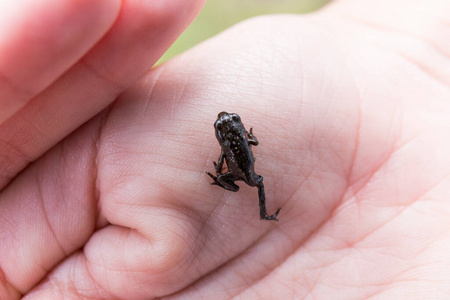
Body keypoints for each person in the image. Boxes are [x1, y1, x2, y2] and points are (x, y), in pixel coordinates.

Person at [1, 0, 449, 298]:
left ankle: (260, 209)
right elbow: (234, 148)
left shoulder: (230, 144)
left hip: (243, 169)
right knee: (248, 178)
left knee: (249, 179)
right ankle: (258, 206)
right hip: (242, 168)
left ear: (228, 131)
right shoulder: (230, 142)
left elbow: (234, 149)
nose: (227, 125)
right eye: (227, 125)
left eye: (228, 124)